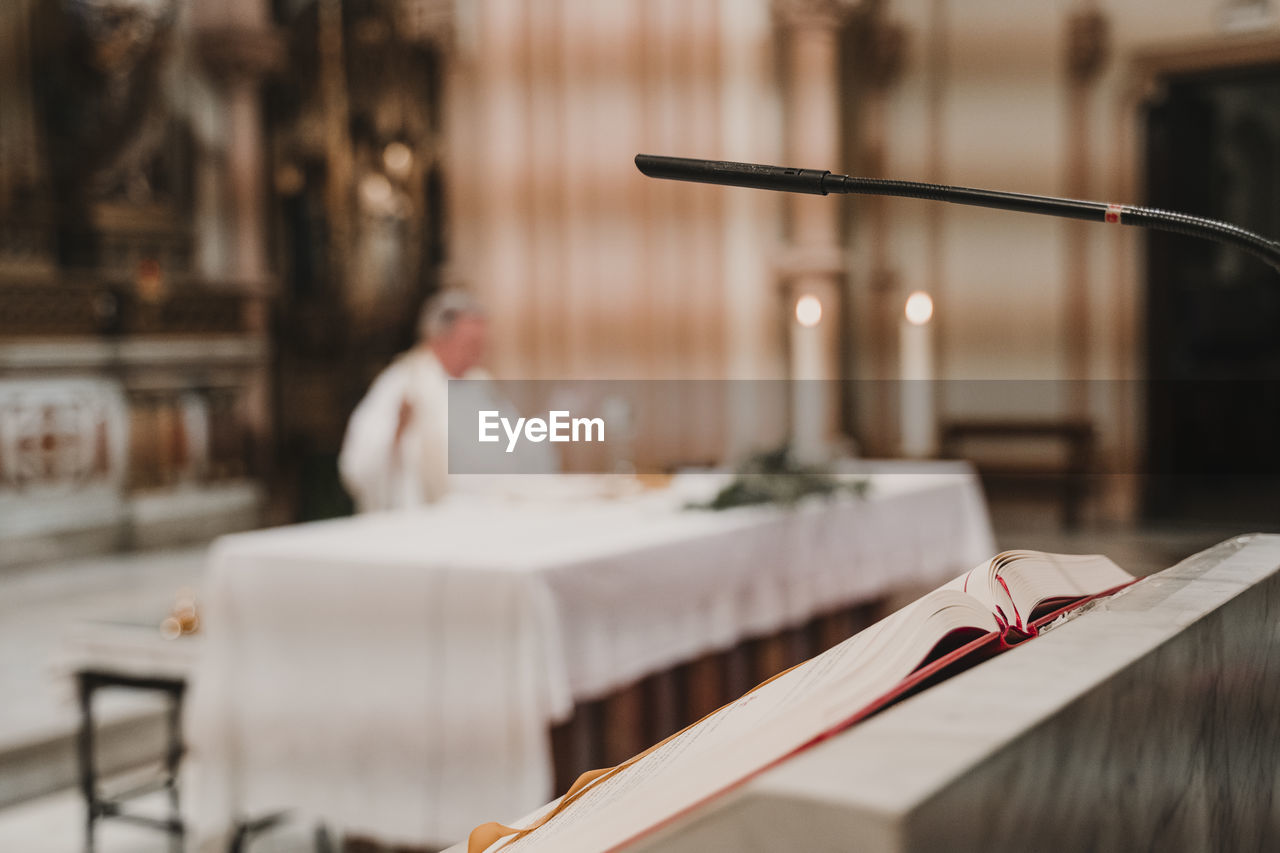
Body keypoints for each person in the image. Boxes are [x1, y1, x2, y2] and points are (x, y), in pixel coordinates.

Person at [338, 289, 491, 511]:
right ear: (438, 339)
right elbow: (358, 463)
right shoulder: (402, 383)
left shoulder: (481, 384)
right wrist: (397, 430)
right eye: (470, 344)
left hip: (475, 510)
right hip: (421, 515)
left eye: (480, 345)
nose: (477, 353)